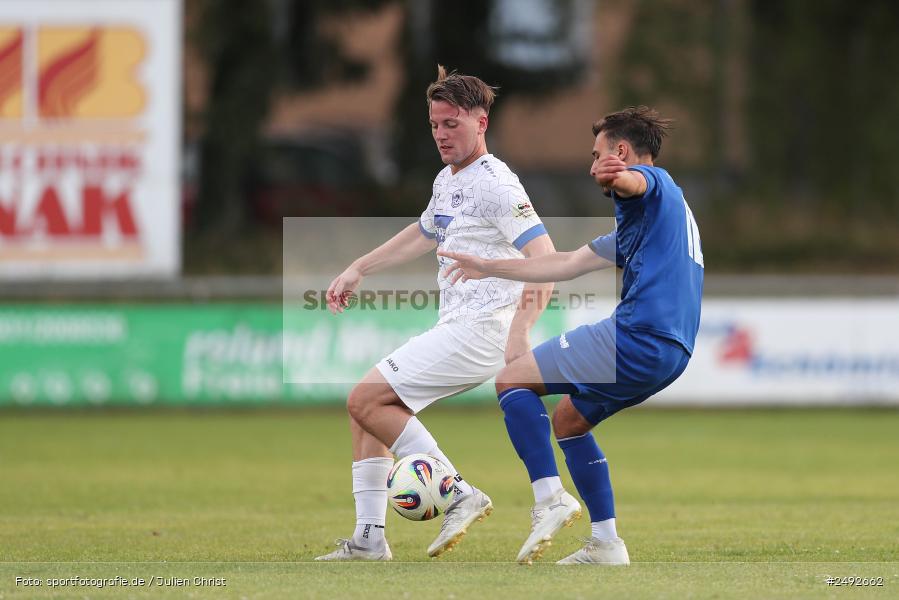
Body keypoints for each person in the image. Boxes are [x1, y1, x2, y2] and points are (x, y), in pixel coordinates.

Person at [438, 106, 704, 565]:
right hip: (672, 352)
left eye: (598, 153)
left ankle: (550, 500)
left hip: (639, 335)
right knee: (568, 420)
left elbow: (634, 182)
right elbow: (562, 263)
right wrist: (488, 266)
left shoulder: (655, 187)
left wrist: (615, 177)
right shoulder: (649, 224)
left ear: (621, 152)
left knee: (511, 380)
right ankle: (606, 544)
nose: (591, 163)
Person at [315, 66, 555, 561]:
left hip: (482, 331)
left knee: (364, 397)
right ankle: (368, 539)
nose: (442, 135)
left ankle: (459, 493)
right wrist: (360, 267)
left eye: (453, 124)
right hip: (457, 326)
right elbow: (424, 232)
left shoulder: (496, 184)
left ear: (481, 122)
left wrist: (520, 332)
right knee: (367, 414)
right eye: (435, 124)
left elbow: (546, 260)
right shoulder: (448, 179)